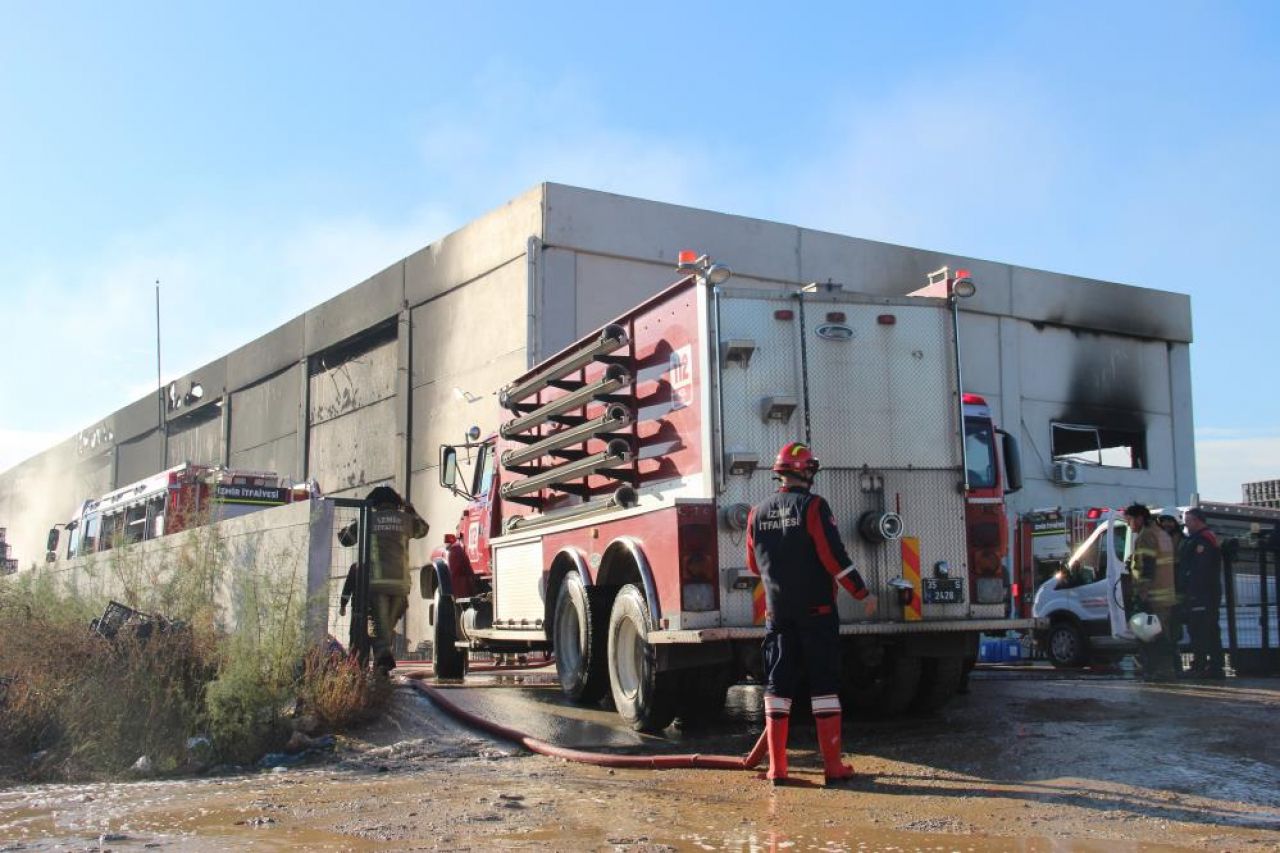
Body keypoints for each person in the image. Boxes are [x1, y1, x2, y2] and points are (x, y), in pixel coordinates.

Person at [746, 441, 877, 787]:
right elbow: (834, 557)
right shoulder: (814, 507)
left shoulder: (756, 513)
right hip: (817, 613)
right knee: (824, 687)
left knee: (777, 688)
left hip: (777, 616)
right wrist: (862, 593)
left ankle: (777, 769)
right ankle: (833, 768)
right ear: (806, 471)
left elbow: (752, 565)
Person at [359, 486, 429, 673]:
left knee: (378, 624)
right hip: (400, 584)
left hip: (377, 583)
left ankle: (383, 658)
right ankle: (383, 661)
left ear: (373, 502)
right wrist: (412, 512)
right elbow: (423, 530)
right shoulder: (406, 520)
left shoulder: (369, 519)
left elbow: (346, 538)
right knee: (386, 626)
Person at [1123, 503, 1177, 681]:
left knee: (1150, 637)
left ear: (1139, 518)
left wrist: (1142, 593)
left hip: (1152, 596)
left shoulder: (1146, 537)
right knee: (1163, 636)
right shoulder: (1162, 534)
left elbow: (1147, 567)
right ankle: (1166, 670)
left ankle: (1156, 671)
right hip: (1166, 596)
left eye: (1129, 520)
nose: (1129, 525)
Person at [1180, 508, 1225, 679]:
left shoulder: (1203, 540)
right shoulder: (1199, 538)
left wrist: (1192, 590)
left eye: (1188, 520)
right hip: (1204, 592)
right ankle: (1211, 665)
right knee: (1206, 629)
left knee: (1202, 630)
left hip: (1202, 593)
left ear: (1197, 520)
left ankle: (1204, 666)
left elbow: (1200, 569)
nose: (1186, 524)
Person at [1157, 513, 1187, 674]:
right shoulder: (1160, 539)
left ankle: (1175, 667)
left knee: (1173, 633)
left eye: (1170, 521)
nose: (1167, 524)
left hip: (1176, 592)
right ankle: (1172, 666)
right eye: (1164, 521)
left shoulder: (1180, 541)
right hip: (1165, 594)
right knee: (1167, 633)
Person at [338, 560, 368, 665]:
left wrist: (343, 605)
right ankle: (364, 666)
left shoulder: (356, 567)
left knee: (356, 639)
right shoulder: (378, 567)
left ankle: (355, 666)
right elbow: (347, 588)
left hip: (359, 612)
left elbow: (347, 588)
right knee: (369, 640)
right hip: (370, 612)